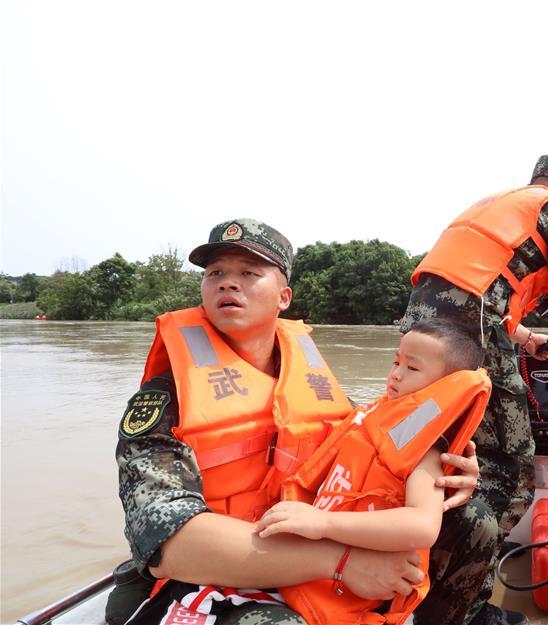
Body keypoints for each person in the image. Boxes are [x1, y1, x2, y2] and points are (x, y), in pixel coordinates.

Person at [112, 219, 481, 625]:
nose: (227, 284)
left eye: (249, 273)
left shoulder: (313, 383)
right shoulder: (165, 400)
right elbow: (170, 547)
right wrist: (342, 563)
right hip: (209, 577)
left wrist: (438, 467)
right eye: (215, 273)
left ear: (283, 296)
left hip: (307, 541)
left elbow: (375, 437)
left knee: (471, 523)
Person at [402, 154, 548, 625]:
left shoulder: (500, 206)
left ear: (534, 180)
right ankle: (464, 610)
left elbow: (470, 291)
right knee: (507, 470)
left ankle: (418, 590)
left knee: (445, 453)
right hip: (470, 336)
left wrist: (522, 337)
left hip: (421, 338)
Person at [257, 318, 489, 624]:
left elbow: (423, 526)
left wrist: (323, 522)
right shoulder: (375, 416)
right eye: (396, 361)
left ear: (445, 386)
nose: (395, 374)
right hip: (316, 566)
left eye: (412, 368)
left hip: (351, 585)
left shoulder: (426, 450)